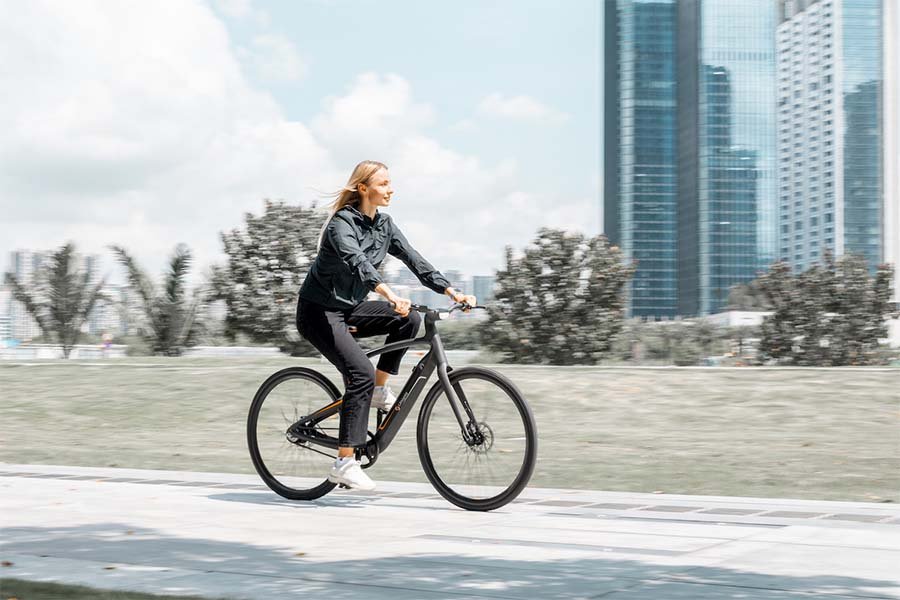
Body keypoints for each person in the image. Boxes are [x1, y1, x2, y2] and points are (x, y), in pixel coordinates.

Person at [296, 160, 476, 491]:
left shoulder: (385, 225)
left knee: (411, 319)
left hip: (350, 309)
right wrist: (389, 292)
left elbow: (415, 260)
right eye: (383, 184)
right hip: (319, 313)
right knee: (359, 373)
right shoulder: (341, 225)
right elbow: (359, 263)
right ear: (363, 188)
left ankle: (379, 390)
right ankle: (344, 462)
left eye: (390, 183)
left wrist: (452, 290)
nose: (390, 189)